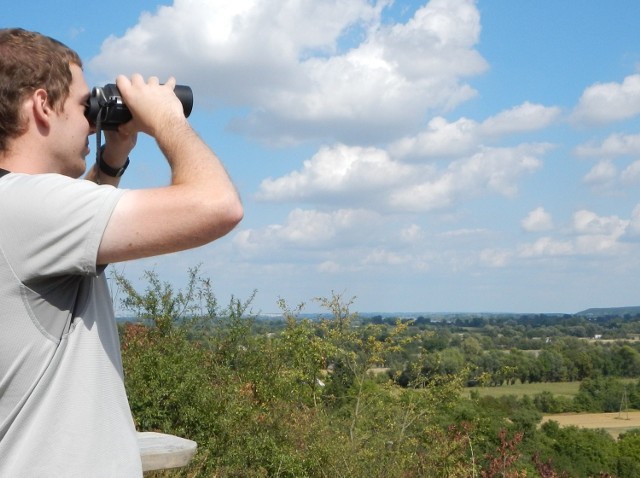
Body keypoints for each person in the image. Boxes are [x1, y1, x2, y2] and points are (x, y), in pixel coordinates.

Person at [0, 28, 243, 476]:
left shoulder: (19, 211)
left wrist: (113, 158)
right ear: (40, 105)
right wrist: (166, 119)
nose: (92, 120)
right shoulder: (27, 205)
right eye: (82, 105)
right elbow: (219, 205)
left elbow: (80, 248)